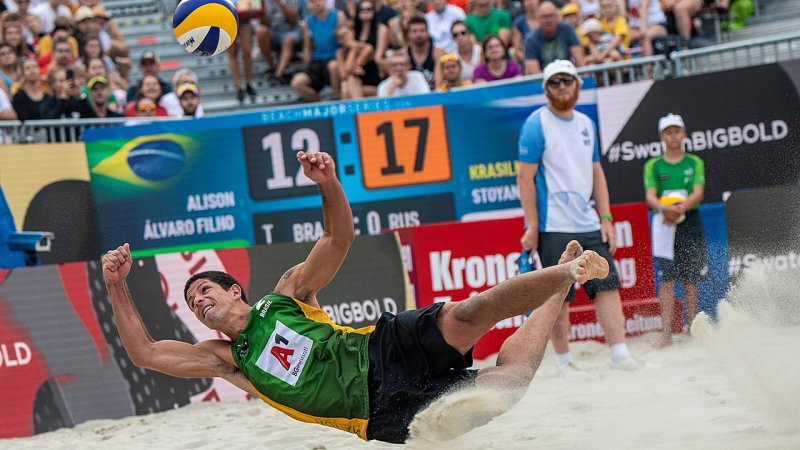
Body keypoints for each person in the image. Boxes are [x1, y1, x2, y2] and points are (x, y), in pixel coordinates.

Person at [102, 150, 612, 444]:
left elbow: (337, 238)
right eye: (191, 302)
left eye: (203, 289)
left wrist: (327, 184)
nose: (197, 301)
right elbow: (146, 353)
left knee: (471, 311)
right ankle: (559, 288)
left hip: (379, 350)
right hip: (378, 413)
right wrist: (116, 285)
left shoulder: (285, 297)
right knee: (510, 386)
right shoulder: (228, 359)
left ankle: (567, 268)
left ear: (234, 289)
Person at [516, 59, 639, 375]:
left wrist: (606, 217)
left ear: (577, 85)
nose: (562, 87)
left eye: (567, 80)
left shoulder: (585, 123)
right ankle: (563, 361)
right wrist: (532, 225)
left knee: (607, 283)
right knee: (559, 294)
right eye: (555, 82)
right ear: (546, 88)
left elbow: (596, 172)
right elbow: (525, 178)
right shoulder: (537, 124)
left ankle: (620, 354)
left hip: (587, 221)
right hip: (553, 224)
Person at [643, 113, 707, 348]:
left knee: (690, 279)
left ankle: (693, 329)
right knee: (667, 279)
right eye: (668, 132)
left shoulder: (694, 162)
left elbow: (698, 192)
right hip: (664, 223)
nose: (673, 136)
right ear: (661, 137)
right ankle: (666, 334)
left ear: (684, 134)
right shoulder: (653, 165)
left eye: (677, 131)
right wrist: (665, 209)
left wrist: (679, 210)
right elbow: (651, 195)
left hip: (689, 221)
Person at [290, 0, 346, 101]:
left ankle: (336, 100)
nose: (316, 3)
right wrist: (307, 64)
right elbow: (307, 46)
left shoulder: (338, 16)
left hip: (335, 58)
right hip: (317, 62)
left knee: (333, 67)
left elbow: (346, 40)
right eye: (312, 1)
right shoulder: (309, 22)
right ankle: (321, 103)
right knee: (297, 83)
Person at [523, 1, 584, 75]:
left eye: (551, 16)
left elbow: (580, 60)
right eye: (544, 17)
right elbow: (534, 72)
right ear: (538, 19)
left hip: (568, 76)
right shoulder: (530, 39)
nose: (548, 20)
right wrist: (552, 81)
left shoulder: (567, 29)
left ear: (557, 17)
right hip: (544, 79)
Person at [334, 24, 379, 99]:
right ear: (339, 41)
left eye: (346, 34)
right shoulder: (340, 53)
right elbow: (343, 75)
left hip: (372, 86)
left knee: (349, 83)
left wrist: (353, 49)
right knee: (347, 83)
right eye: (341, 37)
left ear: (352, 32)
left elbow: (349, 69)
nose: (346, 38)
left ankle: (356, 105)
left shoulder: (367, 48)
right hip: (354, 85)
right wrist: (353, 49)